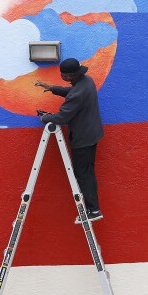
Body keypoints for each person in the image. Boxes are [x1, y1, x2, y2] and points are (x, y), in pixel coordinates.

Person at [34, 58, 104, 223]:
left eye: (65, 75)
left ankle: (93, 210)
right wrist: (52, 88)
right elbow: (73, 93)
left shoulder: (78, 91)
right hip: (92, 134)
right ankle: (93, 208)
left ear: (72, 75)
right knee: (87, 172)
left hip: (83, 139)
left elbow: (62, 117)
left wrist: (45, 118)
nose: (63, 78)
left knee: (82, 174)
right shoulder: (86, 81)